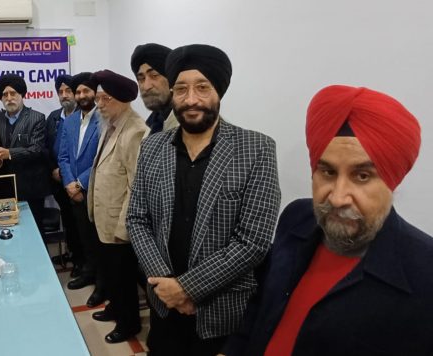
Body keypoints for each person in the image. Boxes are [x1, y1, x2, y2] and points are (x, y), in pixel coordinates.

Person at [223, 85, 433, 356]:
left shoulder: (425, 273)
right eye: (327, 171)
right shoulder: (296, 218)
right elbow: (262, 306)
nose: (337, 197)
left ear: (392, 180)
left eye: (362, 176)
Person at [126, 44, 281, 355]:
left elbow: (253, 241)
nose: (191, 99)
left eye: (202, 87)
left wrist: (187, 288)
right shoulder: (153, 147)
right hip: (164, 307)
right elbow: (137, 219)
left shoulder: (256, 149)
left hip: (221, 313)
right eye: (181, 88)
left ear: (219, 91)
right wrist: (166, 286)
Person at [86, 70, 149, 343]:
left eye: (105, 99)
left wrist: (124, 228)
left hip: (119, 224)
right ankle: (115, 308)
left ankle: (129, 323)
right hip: (103, 217)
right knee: (111, 273)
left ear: (122, 100)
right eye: (98, 98)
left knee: (123, 277)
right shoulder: (110, 123)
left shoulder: (135, 131)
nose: (99, 104)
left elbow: (136, 185)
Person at [57, 72, 104, 307]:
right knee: (83, 237)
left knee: (99, 240)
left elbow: (101, 157)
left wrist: (80, 183)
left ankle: (102, 284)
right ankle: (88, 272)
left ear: (94, 92)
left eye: (86, 90)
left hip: (95, 189)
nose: (82, 95)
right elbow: (63, 156)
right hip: (73, 191)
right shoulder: (70, 120)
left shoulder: (104, 119)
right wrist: (69, 183)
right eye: (78, 91)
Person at [0, 73, 50, 236]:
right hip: (5, 189)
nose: (9, 98)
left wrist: (8, 153)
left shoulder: (37, 118)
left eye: (13, 93)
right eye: (4, 95)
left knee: (35, 232)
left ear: (22, 94)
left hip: (31, 186)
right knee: (8, 232)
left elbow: (36, 149)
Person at [45, 74, 82, 273]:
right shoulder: (52, 117)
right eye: (61, 92)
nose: (64, 95)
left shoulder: (83, 116)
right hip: (57, 180)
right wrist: (54, 169)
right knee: (67, 221)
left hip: (77, 183)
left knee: (80, 224)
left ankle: (81, 262)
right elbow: (46, 148)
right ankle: (72, 253)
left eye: (68, 91)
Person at [130, 43, 178, 134]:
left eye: (154, 76)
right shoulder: (150, 125)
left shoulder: (189, 127)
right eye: (141, 78)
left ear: (171, 79)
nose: (146, 86)